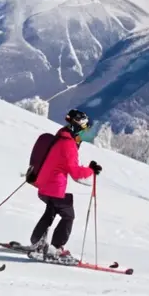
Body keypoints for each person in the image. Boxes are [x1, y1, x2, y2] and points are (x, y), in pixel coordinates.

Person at [29, 109, 102, 258]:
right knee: (68, 215)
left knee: (51, 211)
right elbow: (75, 172)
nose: (85, 133)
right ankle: (55, 248)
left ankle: (37, 242)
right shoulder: (68, 144)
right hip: (53, 188)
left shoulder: (60, 136)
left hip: (44, 186)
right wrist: (91, 170)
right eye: (84, 129)